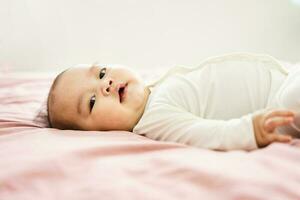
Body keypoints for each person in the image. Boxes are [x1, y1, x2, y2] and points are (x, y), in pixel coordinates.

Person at [47, 53, 300, 151]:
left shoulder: (155, 88)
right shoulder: (154, 119)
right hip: (279, 109)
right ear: (94, 135)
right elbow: (204, 134)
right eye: (91, 102)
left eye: (101, 72)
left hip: (283, 78)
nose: (106, 84)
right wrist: (250, 130)